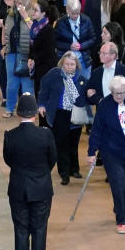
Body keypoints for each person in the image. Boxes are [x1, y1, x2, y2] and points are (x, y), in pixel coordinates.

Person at [3, 94, 56, 250]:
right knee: (40, 230)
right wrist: (41, 173)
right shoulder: (45, 135)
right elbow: (52, 159)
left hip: (18, 189)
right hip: (41, 189)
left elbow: (9, 160)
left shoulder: (10, 136)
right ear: (35, 113)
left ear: (18, 113)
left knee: (21, 230)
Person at [87, 75, 125, 234]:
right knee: (118, 183)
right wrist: (91, 152)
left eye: (122, 93)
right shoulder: (105, 105)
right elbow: (97, 130)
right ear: (111, 92)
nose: (119, 96)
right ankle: (121, 220)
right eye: (116, 93)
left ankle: (119, 204)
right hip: (111, 151)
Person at [38, 52, 88, 186]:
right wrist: (41, 104)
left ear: (76, 65)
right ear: (62, 63)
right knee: (61, 144)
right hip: (59, 114)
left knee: (74, 143)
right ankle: (64, 173)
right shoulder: (54, 75)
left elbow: (84, 99)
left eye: (72, 64)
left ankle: (74, 169)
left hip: (75, 114)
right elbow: (44, 90)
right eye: (66, 64)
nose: (69, 67)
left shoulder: (82, 80)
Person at [2, 0, 35, 118]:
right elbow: (5, 31)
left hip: (26, 53)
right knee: (12, 82)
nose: (18, 6)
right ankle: (10, 108)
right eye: (16, 3)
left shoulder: (31, 14)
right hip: (12, 52)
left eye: (21, 3)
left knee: (26, 83)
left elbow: (34, 31)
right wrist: (5, 46)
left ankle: (29, 110)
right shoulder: (10, 15)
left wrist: (25, 16)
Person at [86, 41, 125, 108]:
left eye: (104, 53)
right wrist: (99, 100)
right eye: (100, 52)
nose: (100, 55)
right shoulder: (96, 72)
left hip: (122, 112)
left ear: (113, 55)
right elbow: (89, 93)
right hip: (102, 113)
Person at [53, 0, 98, 74]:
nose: (75, 16)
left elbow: (93, 38)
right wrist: (69, 46)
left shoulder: (86, 20)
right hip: (66, 61)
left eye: (77, 13)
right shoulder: (60, 23)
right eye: (73, 13)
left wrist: (81, 46)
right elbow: (55, 42)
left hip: (83, 60)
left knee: (85, 84)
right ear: (67, 10)